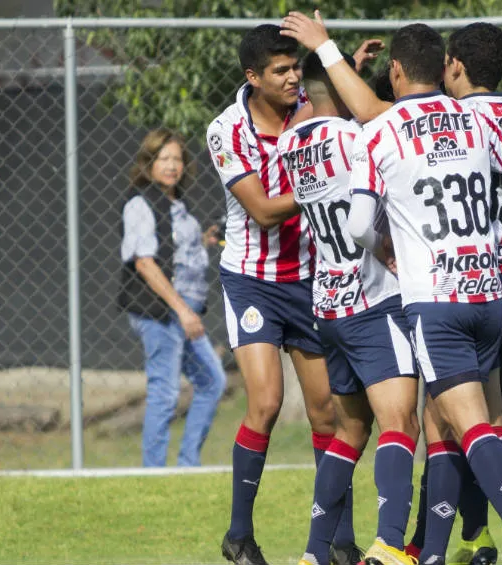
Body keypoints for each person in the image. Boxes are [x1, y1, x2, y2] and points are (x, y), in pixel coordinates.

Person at [286, 20, 502, 565]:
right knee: (455, 423)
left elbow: (361, 225)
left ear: (398, 70)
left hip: (435, 302)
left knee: (470, 426)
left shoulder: (380, 132)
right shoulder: (474, 119)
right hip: (490, 294)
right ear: (445, 67)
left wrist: (386, 247)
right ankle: (436, 550)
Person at [205, 25, 356, 565]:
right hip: (252, 281)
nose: (294, 77)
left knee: (328, 415)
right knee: (265, 403)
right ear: (253, 77)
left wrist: (345, 76)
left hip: (310, 280)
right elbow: (265, 210)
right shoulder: (226, 130)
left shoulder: (308, 112)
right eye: (280, 70)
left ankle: (341, 544)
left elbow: (342, 129)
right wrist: (326, 180)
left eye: (296, 67)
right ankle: (239, 537)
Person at [278, 50, 421, 565]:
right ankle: (387, 546)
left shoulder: (291, 144)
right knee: (401, 423)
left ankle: (315, 554)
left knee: (351, 431)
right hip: (373, 297)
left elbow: (321, 100)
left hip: (328, 303)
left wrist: (337, 73)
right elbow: (383, 119)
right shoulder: (358, 137)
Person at [118, 128, 228, 467]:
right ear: (148, 164)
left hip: (184, 311)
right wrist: (182, 310)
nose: (171, 166)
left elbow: (177, 249)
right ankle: (154, 472)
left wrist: (204, 240)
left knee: (211, 381)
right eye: (163, 158)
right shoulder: (141, 203)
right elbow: (146, 263)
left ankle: (187, 464)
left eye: (176, 159)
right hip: (162, 311)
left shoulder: (175, 204)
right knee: (165, 392)